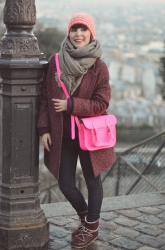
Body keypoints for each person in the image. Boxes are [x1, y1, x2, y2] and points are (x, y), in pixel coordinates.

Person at [37, 13, 116, 249]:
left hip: (88, 134)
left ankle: (91, 226)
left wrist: (71, 105)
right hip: (63, 134)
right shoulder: (56, 62)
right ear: (68, 33)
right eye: (74, 29)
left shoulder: (99, 66)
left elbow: (101, 103)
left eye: (83, 29)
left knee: (93, 180)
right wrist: (43, 128)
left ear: (91, 33)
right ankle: (85, 217)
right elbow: (44, 97)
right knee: (65, 183)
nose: (78, 34)